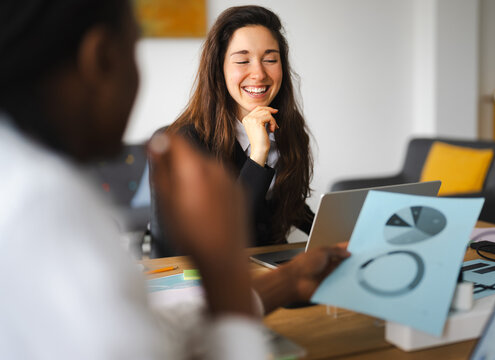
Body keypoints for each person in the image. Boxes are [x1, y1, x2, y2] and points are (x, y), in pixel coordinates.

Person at [0, 1, 349, 359]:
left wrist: (289, 277)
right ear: (101, 57)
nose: (258, 72)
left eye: (270, 58)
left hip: (242, 288)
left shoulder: (32, 182)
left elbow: (148, 331)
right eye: (136, 49)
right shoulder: (45, 204)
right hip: (195, 285)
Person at [167, 5, 314, 246]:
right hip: (222, 273)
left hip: (271, 261)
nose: (258, 73)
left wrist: (337, 233)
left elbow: (285, 202)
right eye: (243, 61)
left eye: (270, 59)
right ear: (219, 68)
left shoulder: (288, 126)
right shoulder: (188, 140)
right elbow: (222, 232)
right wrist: (257, 156)